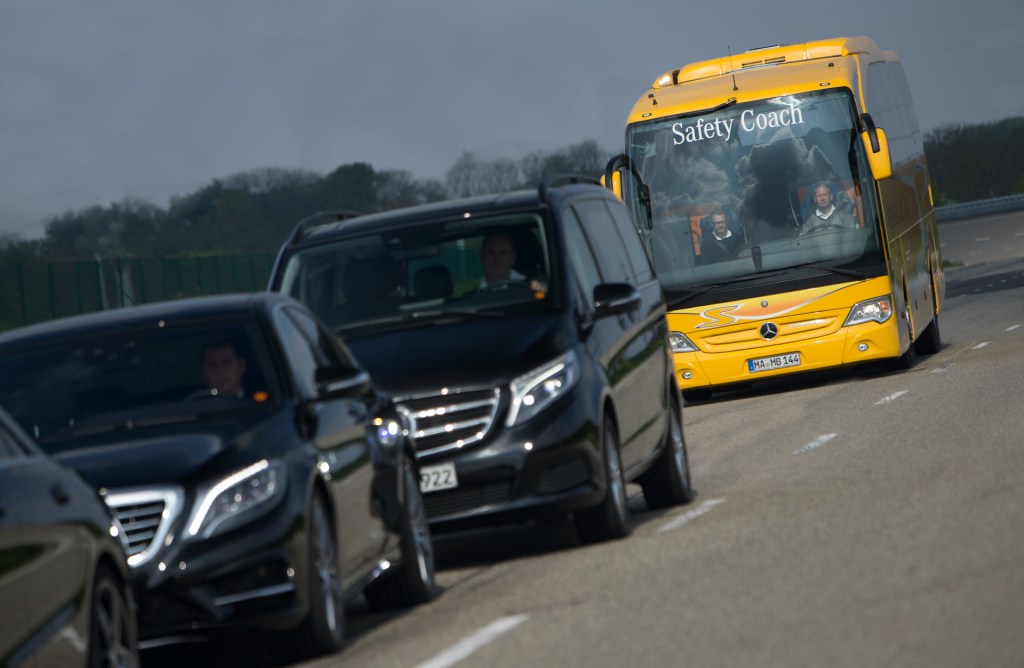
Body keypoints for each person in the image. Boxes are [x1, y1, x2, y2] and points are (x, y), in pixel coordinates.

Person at [478, 230, 546, 293]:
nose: (497, 259)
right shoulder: (473, 297)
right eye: (491, 253)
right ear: (482, 256)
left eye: (503, 253)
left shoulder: (533, 288)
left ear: (513, 258)